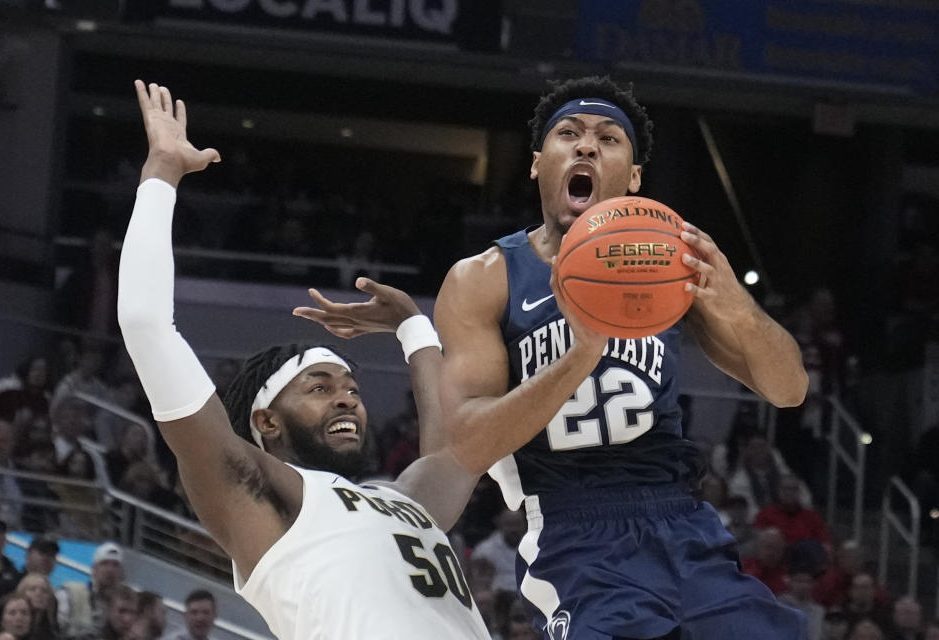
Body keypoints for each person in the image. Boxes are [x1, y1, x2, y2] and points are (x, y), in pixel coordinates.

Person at [118, 80, 501, 640]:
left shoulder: (395, 502)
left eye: (350, 386)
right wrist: (163, 175)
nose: (347, 396)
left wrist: (412, 328)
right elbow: (146, 325)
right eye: (319, 387)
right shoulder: (254, 492)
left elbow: (452, 451)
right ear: (266, 421)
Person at [433, 75, 810, 639]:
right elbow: (466, 444)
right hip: (573, 531)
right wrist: (580, 355)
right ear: (538, 163)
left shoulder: (671, 263)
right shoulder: (484, 279)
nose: (587, 145)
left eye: (609, 138)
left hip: (681, 518)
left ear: (634, 179)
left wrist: (738, 306)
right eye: (569, 133)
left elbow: (789, 389)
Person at [55, 542, 124, 640]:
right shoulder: (71, 593)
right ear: (94, 569)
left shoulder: (124, 607)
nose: (110, 569)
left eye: (115, 565)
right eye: (104, 563)